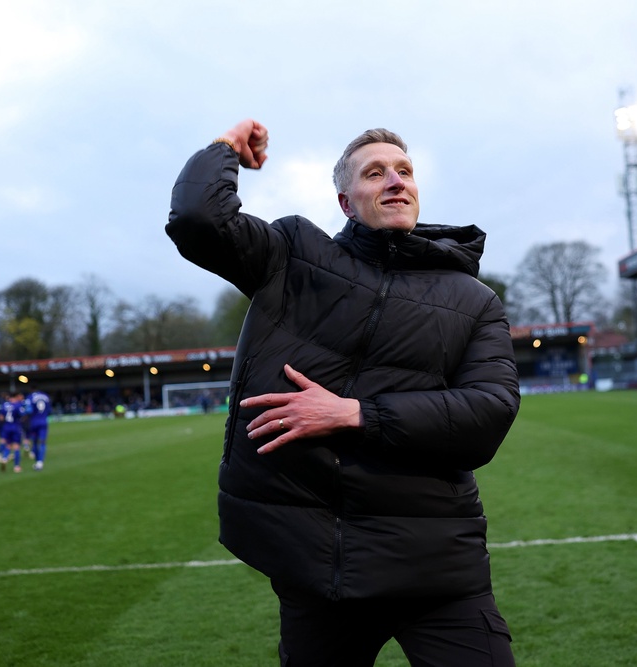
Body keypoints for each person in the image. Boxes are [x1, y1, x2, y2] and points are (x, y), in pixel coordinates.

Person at [166, 120, 521, 666]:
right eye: (375, 173)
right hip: (318, 568)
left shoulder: (473, 300)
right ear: (346, 201)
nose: (395, 181)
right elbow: (197, 221)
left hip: (437, 569)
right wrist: (224, 149)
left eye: (404, 171)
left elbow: (488, 413)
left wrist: (356, 414)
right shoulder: (293, 254)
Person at [24, 387, 52, 471]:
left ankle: (37, 461)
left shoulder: (30, 397)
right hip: (43, 421)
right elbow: (49, 410)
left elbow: (28, 410)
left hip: (34, 422)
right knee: (43, 442)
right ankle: (40, 462)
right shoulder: (46, 397)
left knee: (35, 442)